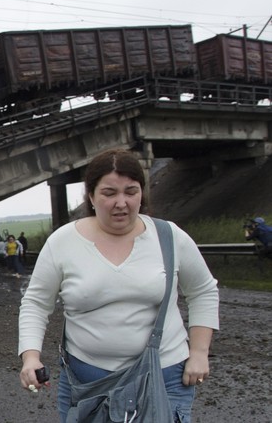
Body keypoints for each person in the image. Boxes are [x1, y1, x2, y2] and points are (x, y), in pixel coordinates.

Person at [17, 148, 219, 423]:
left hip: (164, 375)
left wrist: (198, 353)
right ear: (91, 196)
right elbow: (36, 303)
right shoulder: (62, 242)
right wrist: (31, 357)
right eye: (109, 193)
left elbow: (203, 291)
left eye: (130, 191)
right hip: (86, 381)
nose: (121, 203)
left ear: (142, 194)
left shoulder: (169, 236)